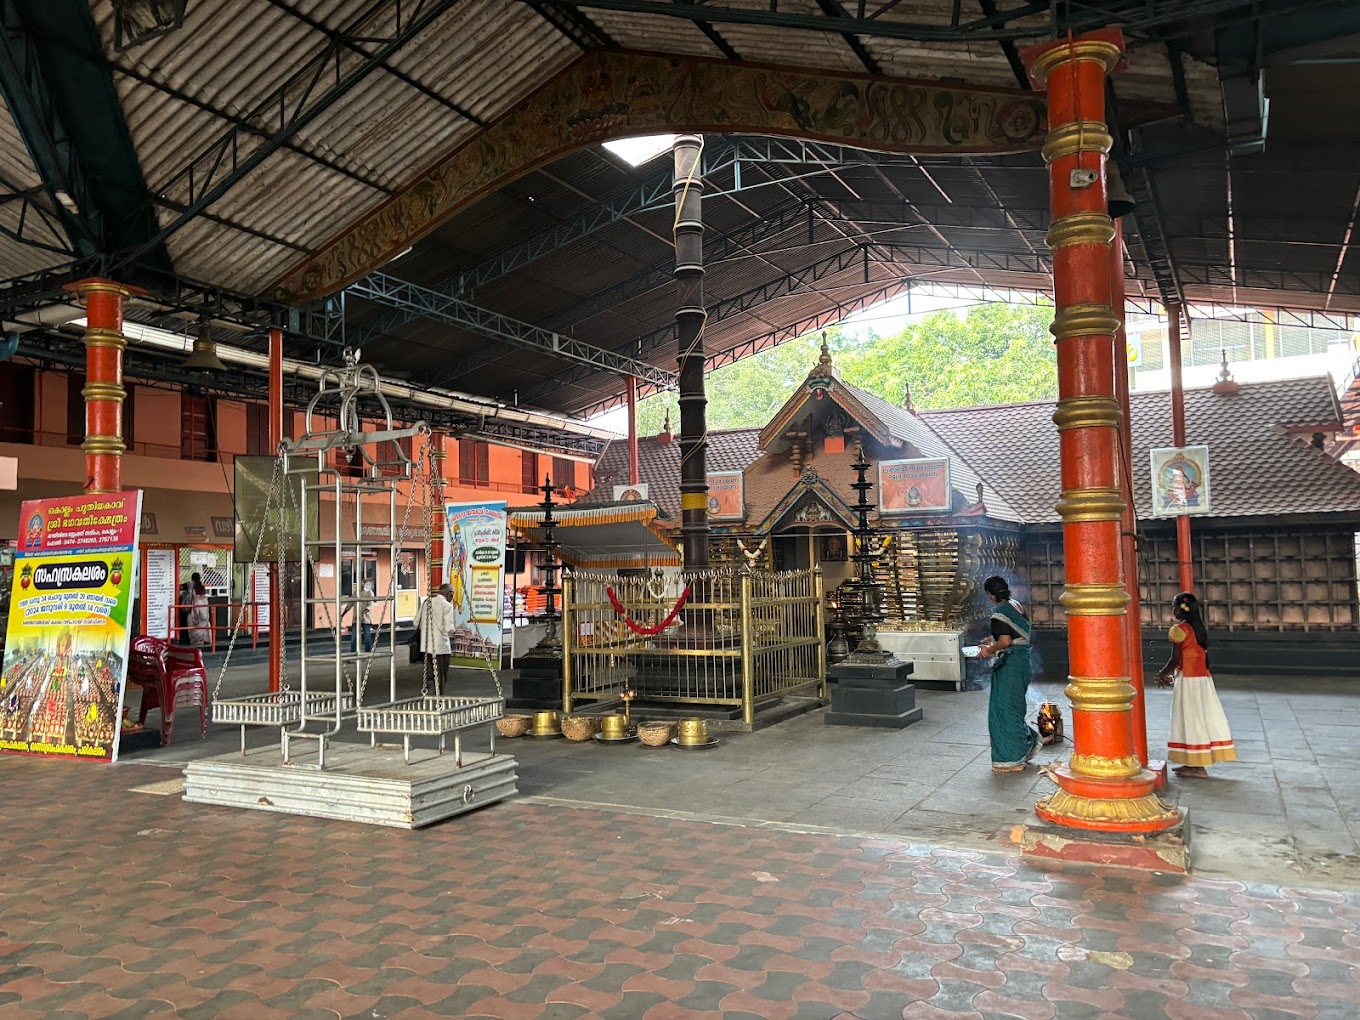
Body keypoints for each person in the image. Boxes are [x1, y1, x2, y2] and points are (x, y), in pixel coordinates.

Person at [1157, 592, 1235, 777]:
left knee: (1191, 718)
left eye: (1173, 606)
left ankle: (1198, 766)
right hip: (1202, 679)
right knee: (1200, 716)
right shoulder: (1198, 629)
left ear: (1179, 608)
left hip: (1188, 680)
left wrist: (1162, 673)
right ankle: (1193, 762)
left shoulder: (1179, 630)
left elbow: (1175, 658)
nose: (1173, 610)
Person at [977, 575, 1039, 773]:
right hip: (1022, 663)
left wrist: (989, 650)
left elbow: (1005, 641)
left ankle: (1011, 759)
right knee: (1014, 707)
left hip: (1010, 664)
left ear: (990, 594)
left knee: (1004, 711)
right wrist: (990, 640)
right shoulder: (1016, 605)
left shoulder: (999, 613)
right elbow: (1013, 634)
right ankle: (1022, 748)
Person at [416, 583, 455, 692]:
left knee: (429, 671)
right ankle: (439, 695)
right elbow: (448, 628)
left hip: (426, 645)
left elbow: (416, 622)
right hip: (441, 646)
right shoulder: (447, 606)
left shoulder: (426, 602)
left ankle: (427, 691)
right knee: (441, 674)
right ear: (450, 594)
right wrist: (453, 630)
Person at [187, 573, 212, 646]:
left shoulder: (191, 586)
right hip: (204, 607)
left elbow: (190, 597)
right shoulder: (202, 587)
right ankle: (204, 639)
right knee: (204, 624)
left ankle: (196, 641)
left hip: (196, 607)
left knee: (194, 623)